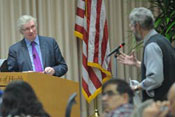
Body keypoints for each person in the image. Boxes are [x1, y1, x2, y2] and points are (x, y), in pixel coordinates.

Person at [117, 7, 175, 101]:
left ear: (137, 26)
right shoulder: (163, 40)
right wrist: (138, 64)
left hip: (159, 106)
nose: (131, 29)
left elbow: (155, 79)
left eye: (131, 26)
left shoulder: (151, 46)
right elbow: (164, 68)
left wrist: (136, 88)